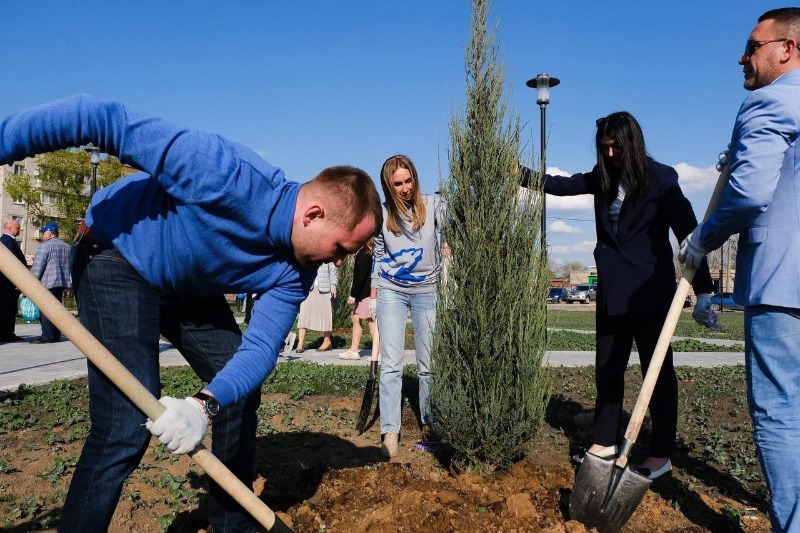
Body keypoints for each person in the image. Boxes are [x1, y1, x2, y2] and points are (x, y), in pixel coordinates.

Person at [0, 94, 382, 532]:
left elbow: (258, 349)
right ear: (314, 215)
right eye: (341, 249)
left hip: (184, 285)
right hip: (116, 254)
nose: (338, 262)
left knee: (236, 389)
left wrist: (204, 406)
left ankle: (232, 521)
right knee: (124, 427)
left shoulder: (299, 268)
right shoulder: (226, 174)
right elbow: (99, 119)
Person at [530, 112, 716, 480]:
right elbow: (562, 185)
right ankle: (604, 441)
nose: (611, 153)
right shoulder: (602, 178)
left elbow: (688, 233)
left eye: (616, 146)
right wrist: (521, 176)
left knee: (658, 374)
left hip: (650, 292)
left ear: (632, 143)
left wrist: (706, 289)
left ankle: (661, 453)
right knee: (608, 370)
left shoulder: (661, 178)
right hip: (613, 291)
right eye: (605, 147)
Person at [678, 8, 800, 530]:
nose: (742, 56)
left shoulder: (768, 102)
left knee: (780, 414)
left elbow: (749, 193)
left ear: (786, 50)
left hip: (783, 284)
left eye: (752, 46)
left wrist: (701, 241)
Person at [371, 154, 442, 458]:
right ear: (389, 186)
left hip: (428, 289)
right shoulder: (383, 215)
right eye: (397, 183)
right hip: (391, 290)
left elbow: (457, 228)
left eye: (408, 180)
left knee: (429, 365)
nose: (404, 188)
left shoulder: (434, 205)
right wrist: (372, 297)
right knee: (391, 365)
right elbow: (376, 255)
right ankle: (390, 430)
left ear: (415, 177)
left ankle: (431, 423)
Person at [30, 221, 72, 343]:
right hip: (61, 283)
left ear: (48, 234)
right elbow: (70, 268)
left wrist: (31, 282)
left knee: (46, 309)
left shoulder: (44, 246)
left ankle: (47, 336)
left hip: (47, 283)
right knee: (57, 309)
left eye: (44, 233)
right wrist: (70, 286)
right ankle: (56, 335)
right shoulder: (66, 247)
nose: (43, 235)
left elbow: (38, 267)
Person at [340, 241, 377, 360]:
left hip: (365, 293)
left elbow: (359, 277)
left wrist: (353, 295)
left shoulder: (363, 253)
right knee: (358, 318)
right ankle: (354, 350)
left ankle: (378, 352)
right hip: (372, 291)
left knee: (371, 321)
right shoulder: (374, 253)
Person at [295, 262, 338, 353]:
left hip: (325, 289)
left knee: (326, 315)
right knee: (304, 314)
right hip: (308, 287)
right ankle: (300, 343)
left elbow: (333, 270)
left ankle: (327, 341)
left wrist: (333, 286)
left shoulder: (329, 252)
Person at [0, 219, 27, 342]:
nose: (19, 230)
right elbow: (12, 264)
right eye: (17, 228)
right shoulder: (7, 242)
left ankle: (6, 332)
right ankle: (6, 333)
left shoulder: (7, 241)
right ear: (9, 228)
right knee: (7, 308)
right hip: (7, 283)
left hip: (6, 283)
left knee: (8, 308)